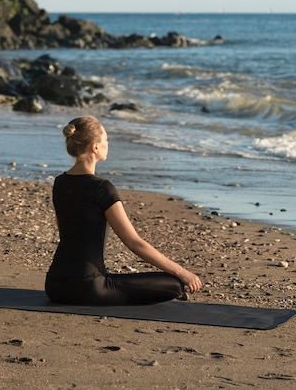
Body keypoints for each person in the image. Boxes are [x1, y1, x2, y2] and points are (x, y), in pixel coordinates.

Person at [45, 116, 202, 305]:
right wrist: (182, 272)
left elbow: (67, 234)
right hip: (89, 288)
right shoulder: (102, 188)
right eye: (106, 139)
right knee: (174, 284)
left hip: (55, 286)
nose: (108, 144)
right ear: (95, 147)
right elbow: (134, 242)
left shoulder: (60, 183)